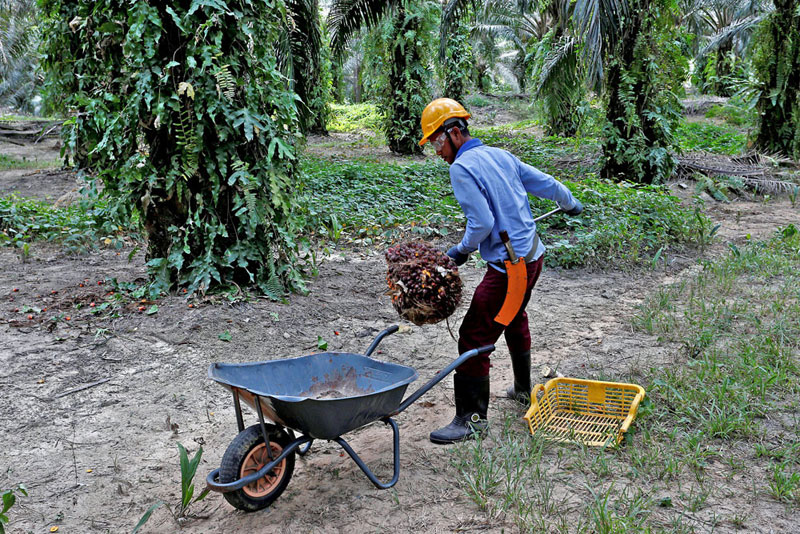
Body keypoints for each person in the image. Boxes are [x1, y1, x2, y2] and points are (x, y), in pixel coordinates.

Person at [418, 98, 583, 444]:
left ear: (454, 133)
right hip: (533, 257)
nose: (437, 151)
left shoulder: (461, 168)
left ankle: (470, 421)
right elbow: (546, 183)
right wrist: (568, 201)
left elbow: (482, 223)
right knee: (514, 315)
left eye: (436, 141)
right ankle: (523, 389)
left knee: (474, 336)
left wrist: (461, 250)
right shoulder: (500, 155)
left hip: (511, 270)